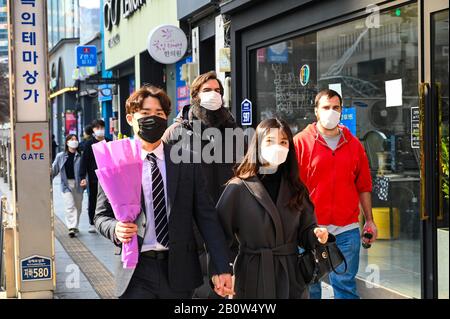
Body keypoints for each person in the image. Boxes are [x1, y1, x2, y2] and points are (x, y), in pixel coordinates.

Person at [94, 85, 233, 299]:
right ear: (131, 119)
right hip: (135, 270)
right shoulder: (117, 162)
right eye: (145, 113)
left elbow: (207, 216)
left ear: (166, 118)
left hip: (178, 270)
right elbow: (101, 216)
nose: (153, 118)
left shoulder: (186, 160)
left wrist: (221, 266)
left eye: (159, 113)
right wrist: (115, 229)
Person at [215, 118, 329, 299]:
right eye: (270, 141)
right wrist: (221, 271)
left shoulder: (296, 188)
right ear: (258, 144)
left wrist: (316, 234)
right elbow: (218, 235)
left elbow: (307, 229)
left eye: (283, 142)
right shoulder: (239, 187)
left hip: (291, 274)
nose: (278, 146)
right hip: (252, 273)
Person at [163, 71, 241, 298]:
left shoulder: (234, 131)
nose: (213, 95)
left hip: (229, 230)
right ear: (194, 95)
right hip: (191, 234)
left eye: (218, 91)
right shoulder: (176, 133)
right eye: (207, 90)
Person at [293, 89, 377, 299]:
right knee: (309, 288)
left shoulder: (354, 144)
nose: (331, 112)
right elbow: (290, 188)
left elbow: (364, 186)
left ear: (341, 110)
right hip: (308, 230)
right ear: (316, 111)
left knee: (345, 288)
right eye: (326, 107)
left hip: (346, 230)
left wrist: (369, 221)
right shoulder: (300, 143)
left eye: (336, 107)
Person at [79, 119, 110, 233]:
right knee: (93, 200)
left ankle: (107, 220)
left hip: (108, 177)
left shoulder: (109, 141)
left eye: (102, 127)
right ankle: (92, 222)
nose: (100, 130)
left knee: (109, 199)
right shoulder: (89, 144)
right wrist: (82, 177)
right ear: (93, 130)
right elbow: (84, 161)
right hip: (93, 178)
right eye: (97, 128)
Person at [52, 134, 83, 237]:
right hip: (66, 184)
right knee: (70, 205)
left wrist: (85, 180)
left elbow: (85, 170)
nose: (74, 141)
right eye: (71, 139)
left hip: (78, 184)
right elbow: (54, 169)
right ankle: (71, 227)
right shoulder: (61, 156)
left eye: (75, 139)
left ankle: (75, 225)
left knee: (78, 207)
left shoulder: (81, 156)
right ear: (67, 142)